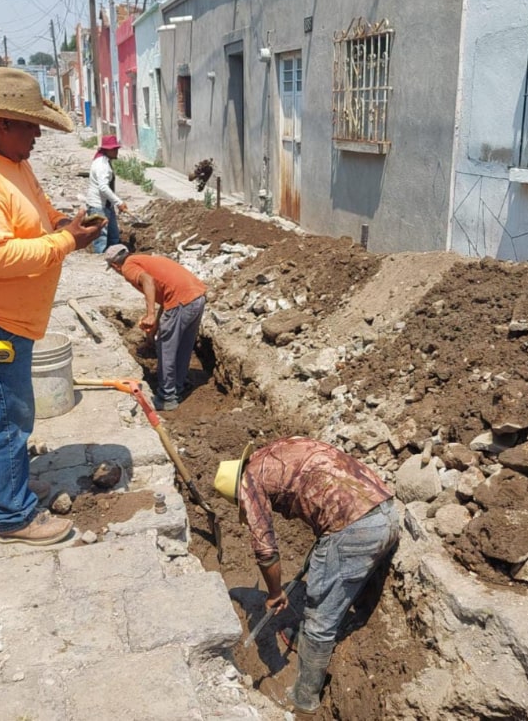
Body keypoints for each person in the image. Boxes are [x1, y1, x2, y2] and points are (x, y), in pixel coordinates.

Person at [0, 67, 103, 545]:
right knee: (7, 419)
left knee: (1, 412)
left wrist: (65, 222)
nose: (38, 134)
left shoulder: (9, 159)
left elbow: (38, 206)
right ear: (2, 122)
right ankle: (14, 517)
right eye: (31, 125)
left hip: (11, 320)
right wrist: (64, 243)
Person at [214, 437, 399, 713]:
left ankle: (304, 699)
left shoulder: (248, 484)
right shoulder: (279, 450)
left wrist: (275, 593)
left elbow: (265, 550)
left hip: (355, 529)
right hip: (385, 511)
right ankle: (327, 634)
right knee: (343, 584)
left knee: (319, 618)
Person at [104, 244, 206, 411]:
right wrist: (156, 324)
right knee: (182, 347)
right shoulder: (145, 260)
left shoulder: (128, 266)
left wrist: (150, 314)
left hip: (180, 302)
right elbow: (165, 298)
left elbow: (147, 281)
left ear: (115, 265)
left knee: (166, 348)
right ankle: (178, 386)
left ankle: (167, 397)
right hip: (196, 298)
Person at [86, 134, 128, 253]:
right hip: (98, 206)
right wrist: (119, 202)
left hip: (106, 205)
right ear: (107, 150)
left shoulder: (104, 161)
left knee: (114, 235)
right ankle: (101, 259)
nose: (116, 151)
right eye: (114, 149)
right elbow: (103, 187)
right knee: (101, 236)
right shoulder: (102, 166)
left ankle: (114, 255)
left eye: (117, 149)